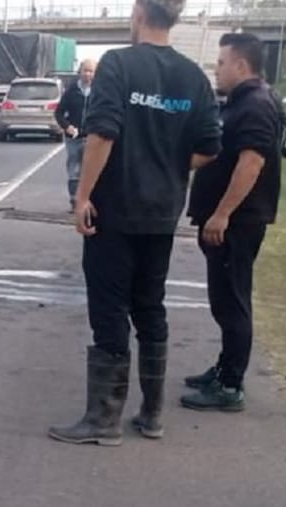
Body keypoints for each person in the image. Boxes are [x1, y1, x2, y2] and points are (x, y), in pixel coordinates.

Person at [48, 0, 222, 446]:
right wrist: (168, 163)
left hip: (116, 209)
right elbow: (209, 148)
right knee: (150, 306)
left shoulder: (118, 64)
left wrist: (83, 196)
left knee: (110, 309)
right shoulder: (194, 77)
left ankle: (103, 420)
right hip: (161, 213)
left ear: (140, 13)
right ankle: (151, 414)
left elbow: (102, 134)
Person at [182, 33, 283, 413]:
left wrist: (223, 213)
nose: (217, 69)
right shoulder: (241, 102)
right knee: (223, 299)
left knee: (232, 301)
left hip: (238, 222)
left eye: (222, 63)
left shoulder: (255, 105)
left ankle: (230, 385)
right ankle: (225, 368)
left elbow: (251, 163)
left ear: (241, 65)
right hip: (229, 221)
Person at [55, 59, 97, 210]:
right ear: (80, 71)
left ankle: (89, 201)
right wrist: (67, 127)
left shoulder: (100, 92)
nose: (88, 74)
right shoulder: (71, 91)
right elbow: (58, 113)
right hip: (73, 139)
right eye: (85, 70)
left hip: (92, 138)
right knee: (74, 170)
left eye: (91, 71)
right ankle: (75, 201)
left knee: (91, 170)